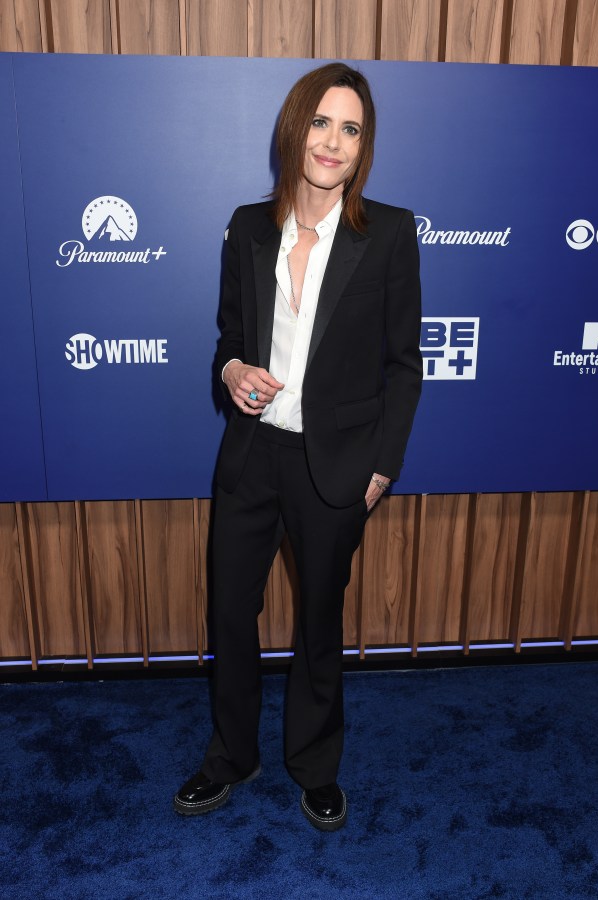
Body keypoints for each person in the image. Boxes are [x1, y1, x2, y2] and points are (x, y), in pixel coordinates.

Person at [174, 62, 422, 832]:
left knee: (319, 621)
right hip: (251, 458)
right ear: (294, 129)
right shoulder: (249, 227)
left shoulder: (389, 233)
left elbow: (404, 366)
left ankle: (315, 766)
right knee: (228, 616)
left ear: (363, 146)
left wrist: (381, 467)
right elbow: (228, 340)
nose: (333, 141)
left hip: (337, 469)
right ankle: (232, 757)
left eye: (351, 128)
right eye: (321, 122)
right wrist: (233, 369)